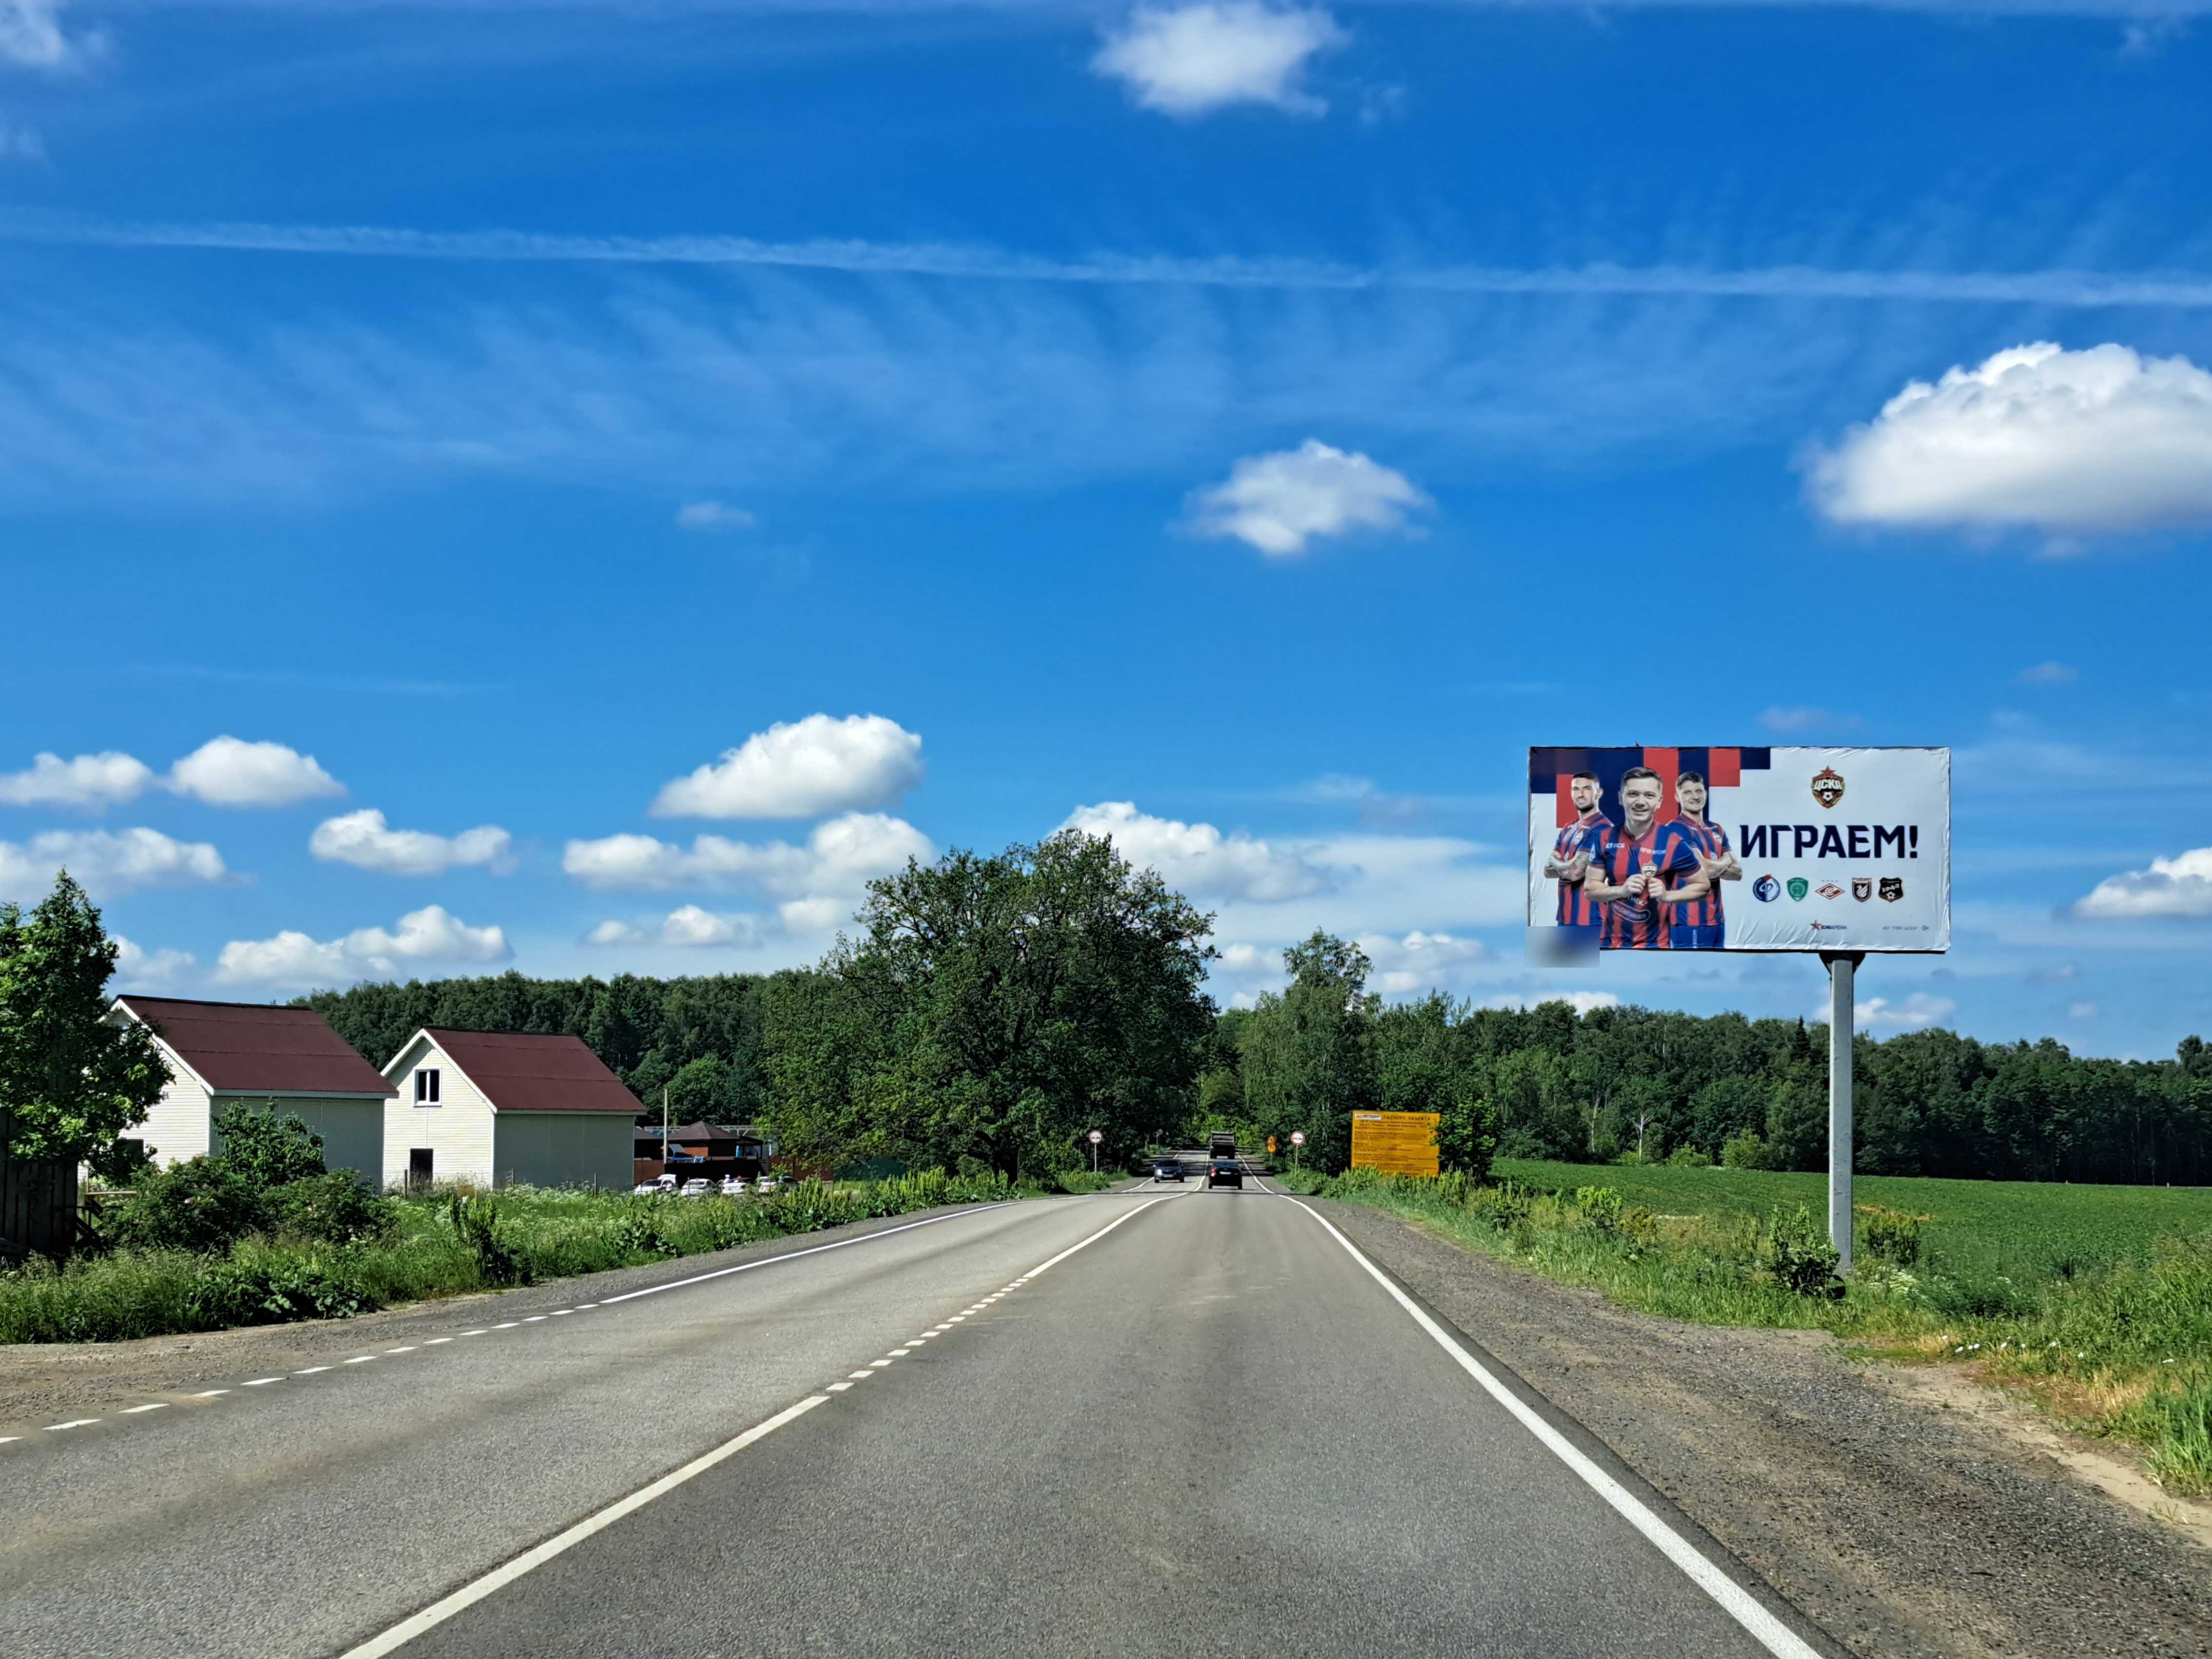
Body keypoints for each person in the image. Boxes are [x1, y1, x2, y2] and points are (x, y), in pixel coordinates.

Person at [1581, 766, 1711, 949]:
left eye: (1649, 796)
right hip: (1609, 945)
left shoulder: (1672, 842)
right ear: (1621, 798)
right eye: (1633, 794)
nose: (1640, 802)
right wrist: (1622, 891)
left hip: (1656, 947)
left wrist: (1668, 896)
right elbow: (1590, 890)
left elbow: (1703, 886)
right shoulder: (1604, 838)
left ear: (1660, 801)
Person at [1669, 771, 1739, 950]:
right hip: (1689, 921)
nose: (1695, 797)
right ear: (1677, 797)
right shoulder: (1676, 829)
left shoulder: (1716, 829)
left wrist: (1714, 866)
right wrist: (1728, 857)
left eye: (1699, 791)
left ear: (1706, 794)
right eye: (1688, 792)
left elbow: (1738, 873)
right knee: (1690, 973)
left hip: (1717, 921)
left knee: (1715, 973)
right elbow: (1706, 871)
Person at [1542, 770, 1610, 937]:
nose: (1581, 794)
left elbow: (1574, 872)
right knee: (1558, 962)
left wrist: (1557, 862)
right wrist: (1567, 866)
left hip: (1591, 921)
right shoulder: (1568, 828)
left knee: (1587, 962)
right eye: (1576, 789)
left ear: (1598, 793)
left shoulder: (1602, 828)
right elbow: (1546, 871)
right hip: (1564, 919)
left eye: (1587, 788)